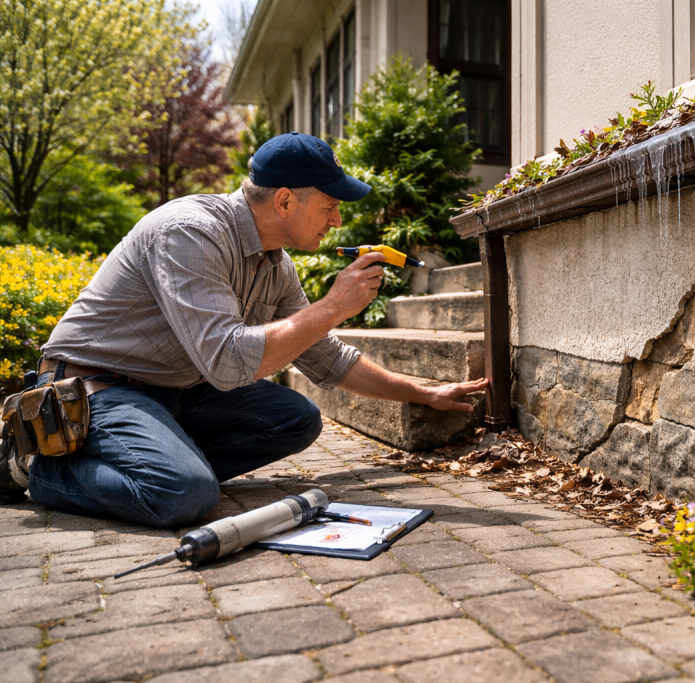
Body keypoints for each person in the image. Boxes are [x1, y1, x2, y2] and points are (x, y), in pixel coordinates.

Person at [0, 132, 487, 526]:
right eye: (329, 206)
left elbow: (327, 358)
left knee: (296, 419)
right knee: (183, 495)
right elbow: (230, 364)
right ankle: (37, 468)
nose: (339, 220)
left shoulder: (276, 267)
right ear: (283, 201)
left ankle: (157, 461)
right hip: (93, 387)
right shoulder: (190, 233)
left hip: (171, 391)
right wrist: (334, 306)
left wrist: (423, 393)